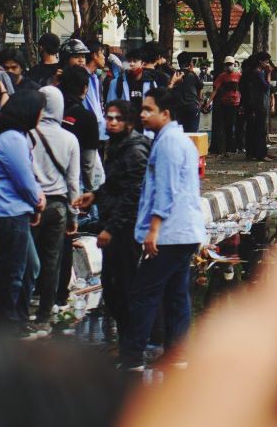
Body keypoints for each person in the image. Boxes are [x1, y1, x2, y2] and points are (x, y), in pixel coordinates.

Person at [118, 87, 207, 371]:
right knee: (176, 293)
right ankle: (177, 354)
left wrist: (153, 231)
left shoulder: (168, 144)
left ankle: (132, 357)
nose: (142, 115)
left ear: (165, 114)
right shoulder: (176, 140)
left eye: (148, 110)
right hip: (184, 231)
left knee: (143, 293)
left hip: (170, 233)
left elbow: (165, 191)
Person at [73, 99, 150, 337]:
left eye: (118, 118)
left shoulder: (135, 150)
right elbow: (115, 184)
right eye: (109, 117)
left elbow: (133, 195)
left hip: (126, 228)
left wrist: (112, 229)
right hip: (114, 221)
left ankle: (134, 344)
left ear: (128, 123)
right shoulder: (115, 145)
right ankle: (131, 339)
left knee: (123, 286)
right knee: (113, 285)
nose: (112, 122)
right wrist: (95, 196)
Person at [0, 89, 45, 334]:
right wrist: (37, 202)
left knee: (29, 266)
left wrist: (35, 199)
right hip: (6, 210)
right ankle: (7, 324)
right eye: (40, 110)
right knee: (12, 271)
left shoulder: (12, 135)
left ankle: (18, 317)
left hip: (10, 209)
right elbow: (24, 180)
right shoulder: (13, 139)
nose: (42, 115)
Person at [29, 86, 81, 333]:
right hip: (59, 206)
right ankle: (44, 315)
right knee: (51, 262)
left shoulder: (27, 135)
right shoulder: (70, 139)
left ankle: (19, 310)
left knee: (26, 260)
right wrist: (74, 214)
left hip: (31, 206)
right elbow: (73, 181)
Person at [242, 52, 273, 161]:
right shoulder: (258, 73)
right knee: (260, 130)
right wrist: (269, 74)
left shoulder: (253, 72)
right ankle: (261, 154)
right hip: (258, 105)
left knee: (255, 129)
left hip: (254, 104)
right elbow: (266, 87)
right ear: (261, 62)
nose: (268, 64)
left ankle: (254, 152)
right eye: (267, 62)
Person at [208, 56, 242, 155]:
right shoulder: (222, 76)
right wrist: (209, 102)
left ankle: (236, 147)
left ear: (234, 64)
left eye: (230, 64)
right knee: (228, 126)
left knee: (236, 126)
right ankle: (228, 148)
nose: (229, 67)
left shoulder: (238, 75)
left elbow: (242, 89)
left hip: (237, 104)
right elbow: (215, 90)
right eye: (227, 65)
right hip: (225, 104)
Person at [170, 52, 204, 132]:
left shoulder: (175, 74)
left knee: (179, 133)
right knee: (192, 134)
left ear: (178, 62)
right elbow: (200, 87)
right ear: (190, 63)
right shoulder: (192, 75)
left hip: (178, 108)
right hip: (192, 107)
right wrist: (200, 102)